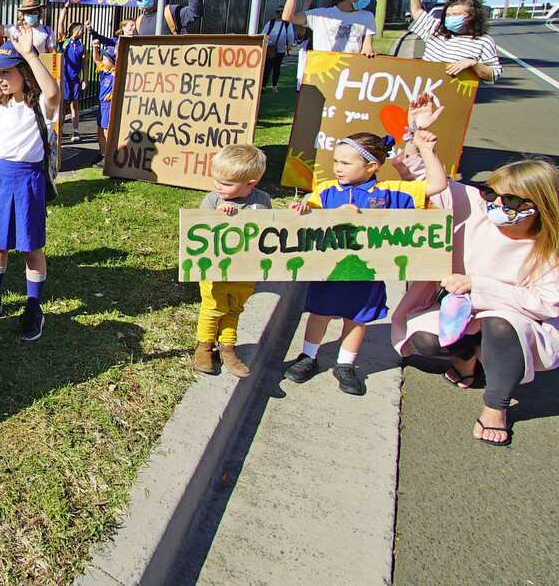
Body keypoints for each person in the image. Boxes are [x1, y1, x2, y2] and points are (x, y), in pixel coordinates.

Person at [392, 160, 559, 446]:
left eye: (510, 199)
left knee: (501, 324)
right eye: (489, 192)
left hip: (521, 320)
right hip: (461, 311)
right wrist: (418, 146)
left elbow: (547, 303)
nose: (495, 202)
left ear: (540, 205)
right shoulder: (477, 207)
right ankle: (467, 356)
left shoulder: (549, 249)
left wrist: (478, 284)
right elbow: (434, 185)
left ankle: (496, 405)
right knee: (424, 339)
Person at [284, 128, 447, 395]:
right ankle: (307, 356)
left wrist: (427, 150)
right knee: (320, 313)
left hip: (367, 274)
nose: (337, 168)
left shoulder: (392, 192)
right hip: (330, 272)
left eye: (346, 163)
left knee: (356, 318)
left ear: (372, 166)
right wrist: (303, 211)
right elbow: (308, 216)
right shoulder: (325, 190)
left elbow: (437, 186)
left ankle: (345, 364)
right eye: (336, 161)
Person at [0, 31, 61, 342]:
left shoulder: (40, 108)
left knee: (31, 247)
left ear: (23, 72)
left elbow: (53, 92)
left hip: (28, 181)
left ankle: (34, 306)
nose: (0, 79)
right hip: (1, 181)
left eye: (7, 71)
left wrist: (31, 54)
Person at [194, 145, 272, 378]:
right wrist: (217, 215)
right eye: (216, 179)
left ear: (251, 183)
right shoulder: (212, 200)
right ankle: (204, 347)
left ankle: (227, 348)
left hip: (245, 272)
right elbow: (198, 231)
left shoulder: (262, 200)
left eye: (226, 183)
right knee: (212, 308)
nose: (218, 186)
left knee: (235, 308)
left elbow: (269, 231)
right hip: (216, 272)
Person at [406, 0, 503, 82]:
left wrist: (473, 64)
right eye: (448, 15)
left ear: (471, 16)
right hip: (423, 90)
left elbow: (493, 74)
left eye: (456, 14)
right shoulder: (435, 29)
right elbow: (416, 10)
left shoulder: (483, 41)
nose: (451, 18)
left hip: (454, 97)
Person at [281, 0, 377, 57]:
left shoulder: (367, 17)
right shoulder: (321, 15)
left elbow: (367, 47)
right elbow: (288, 17)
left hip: (350, 71)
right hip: (324, 70)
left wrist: (368, 53)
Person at [57, 19, 86, 143]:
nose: (83, 32)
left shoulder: (81, 46)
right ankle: (60, 130)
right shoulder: (65, 42)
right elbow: (60, 26)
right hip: (63, 79)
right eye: (81, 30)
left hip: (75, 80)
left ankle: (75, 131)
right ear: (75, 30)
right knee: (62, 107)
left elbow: (85, 64)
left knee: (74, 106)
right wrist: (64, 9)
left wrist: (85, 79)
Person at [260, 17, 303, 91]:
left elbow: (290, 35)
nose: (279, 14)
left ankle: (274, 86)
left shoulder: (287, 24)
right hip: (270, 49)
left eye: (281, 12)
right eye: (278, 12)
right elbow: (264, 33)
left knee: (276, 68)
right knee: (267, 68)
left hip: (281, 50)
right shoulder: (271, 22)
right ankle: (263, 86)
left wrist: (290, 44)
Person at [95, 46, 117, 156]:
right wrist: (94, 48)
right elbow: (96, 60)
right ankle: (102, 152)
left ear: (112, 62)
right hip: (101, 104)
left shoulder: (115, 75)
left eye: (105, 59)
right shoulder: (104, 71)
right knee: (99, 128)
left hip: (107, 105)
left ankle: (108, 153)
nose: (102, 61)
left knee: (105, 129)